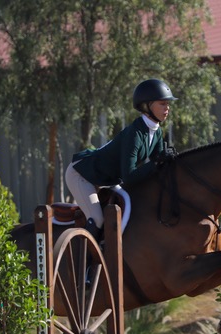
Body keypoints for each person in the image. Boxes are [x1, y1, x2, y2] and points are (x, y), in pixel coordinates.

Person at [65, 78, 177, 240]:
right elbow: (130, 176)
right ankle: (85, 264)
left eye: (168, 104)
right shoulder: (135, 134)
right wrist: (157, 162)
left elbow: (157, 165)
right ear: (147, 105)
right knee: (97, 219)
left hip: (104, 179)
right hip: (82, 174)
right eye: (162, 104)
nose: (167, 108)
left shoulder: (156, 131)